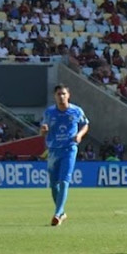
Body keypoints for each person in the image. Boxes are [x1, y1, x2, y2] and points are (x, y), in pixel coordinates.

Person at [39, 85, 89, 226]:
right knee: (53, 185)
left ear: (68, 95)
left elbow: (85, 125)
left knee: (64, 181)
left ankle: (57, 213)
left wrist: (79, 135)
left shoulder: (76, 110)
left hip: (69, 149)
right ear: (55, 96)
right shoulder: (49, 112)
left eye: (63, 94)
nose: (61, 96)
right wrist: (43, 130)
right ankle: (61, 213)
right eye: (58, 94)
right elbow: (43, 131)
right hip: (53, 151)